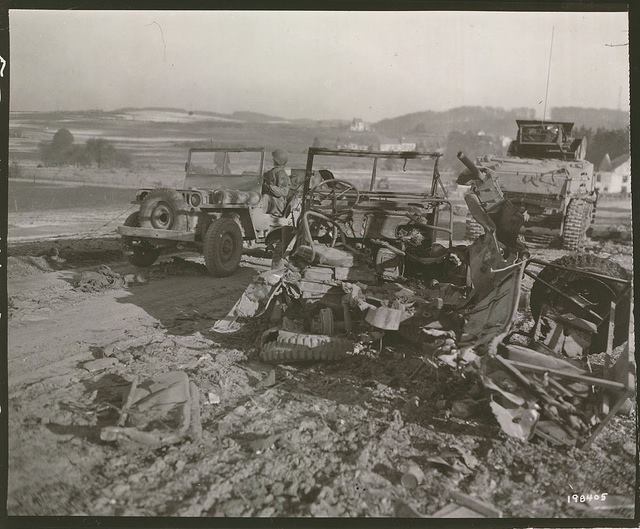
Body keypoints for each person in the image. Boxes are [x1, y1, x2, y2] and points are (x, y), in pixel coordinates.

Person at [262, 148, 291, 216]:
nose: (272, 160)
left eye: (274, 158)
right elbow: (265, 176)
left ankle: (259, 216)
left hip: (277, 204)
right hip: (272, 202)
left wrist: (269, 187)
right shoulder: (274, 171)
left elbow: (283, 192)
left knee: (265, 197)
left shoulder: (281, 174)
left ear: (277, 161)